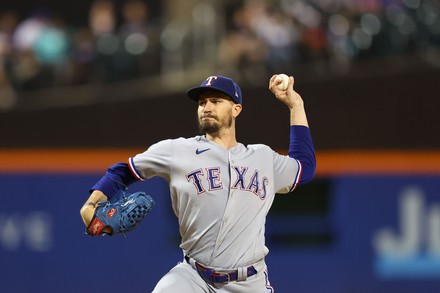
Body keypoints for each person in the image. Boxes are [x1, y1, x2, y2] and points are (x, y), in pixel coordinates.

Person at [80, 74, 316, 292]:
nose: (206, 107)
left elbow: (304, 168)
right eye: (202, 102)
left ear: (236, 109)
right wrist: (92, 203)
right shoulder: (176, 150)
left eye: (215, 101)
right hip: (193, 277)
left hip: (249, 282)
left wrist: (296, 105)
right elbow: (123, 171)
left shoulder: (263, 158)